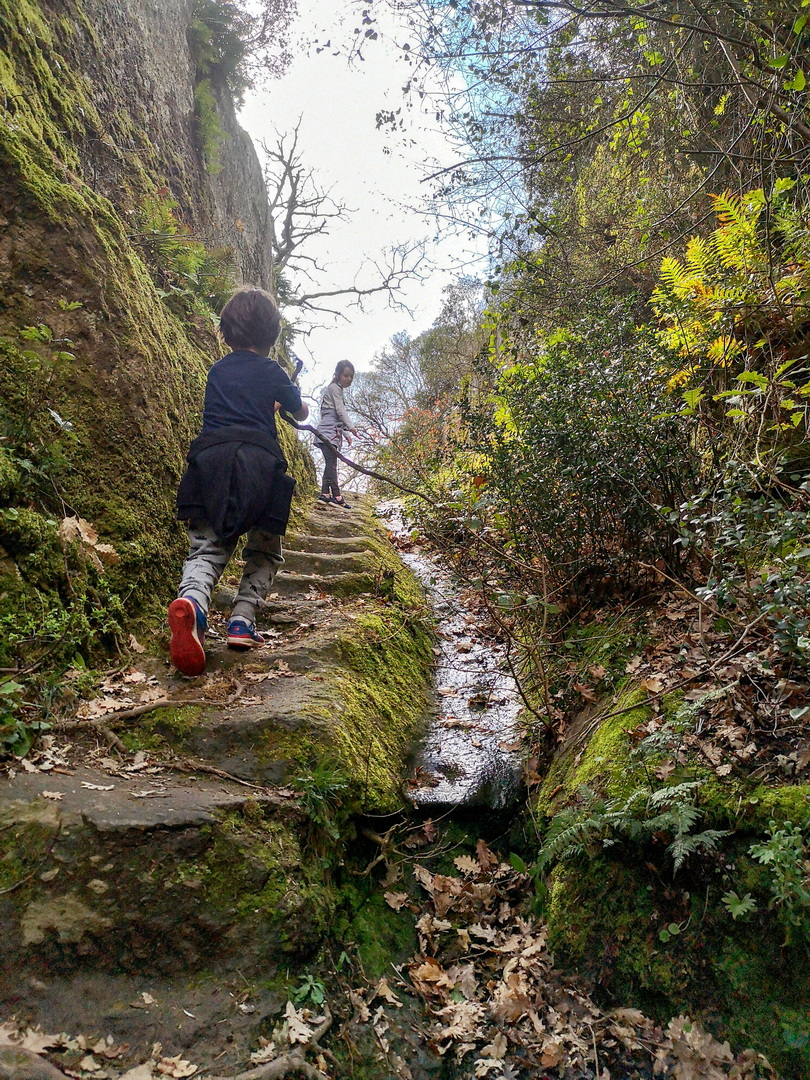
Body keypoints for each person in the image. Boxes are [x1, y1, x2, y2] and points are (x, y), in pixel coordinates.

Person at [167, 286, 309, 677]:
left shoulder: (217, 369)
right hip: (259, 465)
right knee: (264, 547)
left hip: (209, 462)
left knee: (207, 549)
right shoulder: (273, 371)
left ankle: (193, 605)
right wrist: (281, 402)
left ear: (225, 332)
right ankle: (243, 620)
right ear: (272, 335)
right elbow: (301, 409)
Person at [316, 360, 358, 509]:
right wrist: (351, 427)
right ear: (338, 374)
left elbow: (335, 414)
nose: (349, 379)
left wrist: (345, 432)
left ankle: (326, 494)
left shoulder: (336, 389)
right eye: (346, 375)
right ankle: (336, 496)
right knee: (331, 463)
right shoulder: (334, 388)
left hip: (331, 430)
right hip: (329, 431)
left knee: (330, 462)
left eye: (351, 376)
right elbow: (340, 411)